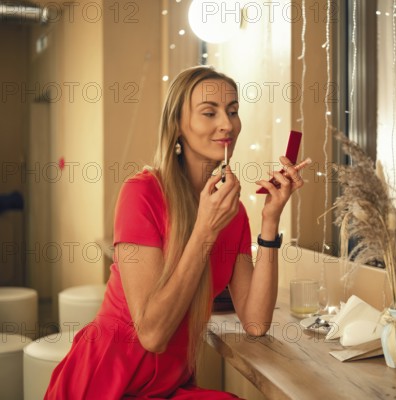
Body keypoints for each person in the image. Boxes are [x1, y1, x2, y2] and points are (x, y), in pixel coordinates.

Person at [45, 66, 306, 399]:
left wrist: (271, 220)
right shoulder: (142, 193)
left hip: (166, 385)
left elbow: (255, 323)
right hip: (108, 378)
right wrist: (205, 230)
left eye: (233, 111)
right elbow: (152, 335)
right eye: (209, 113)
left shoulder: (234, 213)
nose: (227, 124)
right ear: (177, 126)